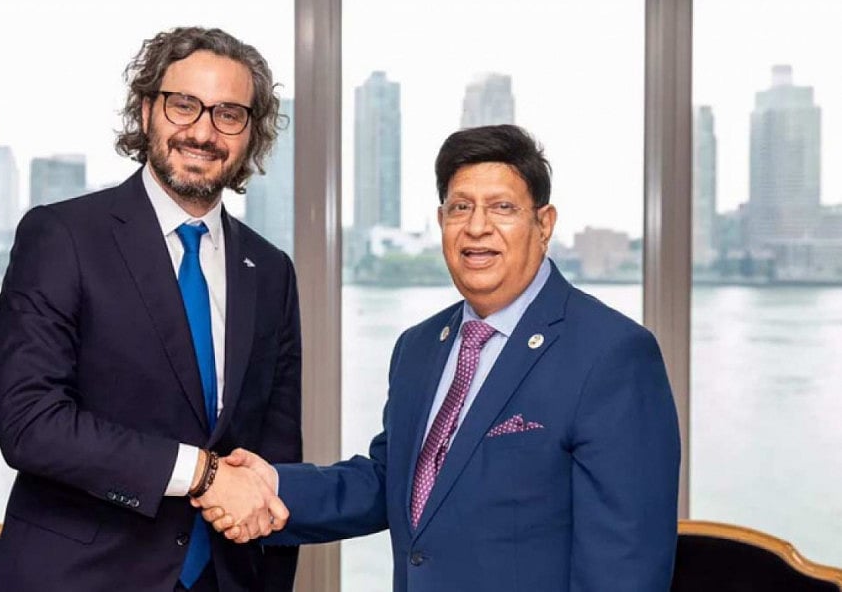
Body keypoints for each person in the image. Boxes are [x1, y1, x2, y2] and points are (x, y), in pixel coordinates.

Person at [202, 125, 681, 591]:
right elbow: (392, 482)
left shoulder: (612, 354)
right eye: (460, 207)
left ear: (544, 223)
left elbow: (625, 568)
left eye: (502, 207)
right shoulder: (419, 347)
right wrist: (273, 486)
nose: (477, 227)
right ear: (441, 221)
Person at [0, 26, 300, 592]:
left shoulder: (271, 270)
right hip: (82, 578)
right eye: (184, 105)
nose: (203, 132)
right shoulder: (63, 237)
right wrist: (202, 475)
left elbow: (275, 456)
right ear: (146, 109)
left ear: (252, 135)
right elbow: (30, 424)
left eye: (229, 114)